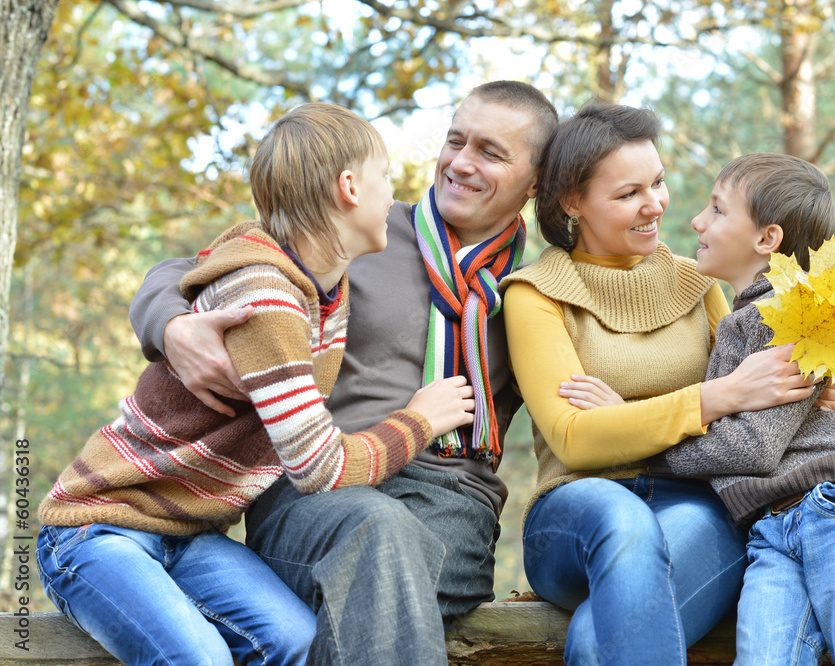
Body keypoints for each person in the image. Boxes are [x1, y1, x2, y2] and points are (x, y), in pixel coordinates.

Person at [126, 81, 559, 664]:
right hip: (315, 494)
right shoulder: (363, 230)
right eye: (455, 140)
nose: (460, 162)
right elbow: (192, 268)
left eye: (490, 152)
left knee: (382, 557)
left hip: (450, 505)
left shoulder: (535, 293)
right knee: (377, 538)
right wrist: (172, 326)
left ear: (536, 183)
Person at [36, 103, 478, 665]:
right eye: (385, 176)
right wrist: (419, 422)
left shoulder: (322, 283)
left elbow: (207, 260)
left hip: (191, 534)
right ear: (349, 187)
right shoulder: (264, 293)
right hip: (97, 529)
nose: (394, 195)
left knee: (292, 642)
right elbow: (320, 469)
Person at [499, 104, 835, 665]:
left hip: (697, 506)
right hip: (576, 512)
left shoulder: (699, 282)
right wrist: (716, 397)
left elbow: (774, 394)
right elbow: (576, 439)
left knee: (597, 642)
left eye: (659, 181)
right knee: (623, 520)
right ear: (573, 201)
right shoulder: (536, 293)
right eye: (628, 194)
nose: (656, 205)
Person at [645, 152, 835, 665]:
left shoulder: (796, 310)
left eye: (717, 209)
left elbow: (755, 445)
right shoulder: (750, 317)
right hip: (772, 529)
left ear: (766, 239)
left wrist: (642, 448)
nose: (697, 221)